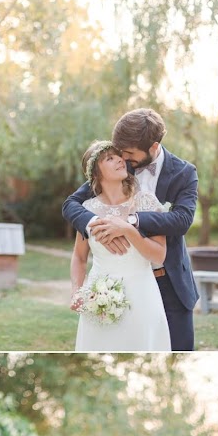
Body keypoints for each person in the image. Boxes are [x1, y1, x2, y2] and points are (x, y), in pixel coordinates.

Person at [63, 108, 199, 352]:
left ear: (153, 146)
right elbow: (71, 204)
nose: (122, 158)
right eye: (118, 153)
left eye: (128, 153)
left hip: (169, 281)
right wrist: (95, 225)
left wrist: (130, 223)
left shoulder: (184, 173)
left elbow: (182, 220)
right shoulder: (119, 165)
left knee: (174, 351)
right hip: (112, 286)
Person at [71, 142, 171, 352]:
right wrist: (77, 293)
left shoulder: (148, 203)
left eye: (119, 156)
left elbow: (159, 257)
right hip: (98, 298)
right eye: (109, 158)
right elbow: (79, 258)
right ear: (96, 173)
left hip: (142, 295)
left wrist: (128, 230)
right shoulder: (87, 210)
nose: (119, 159)